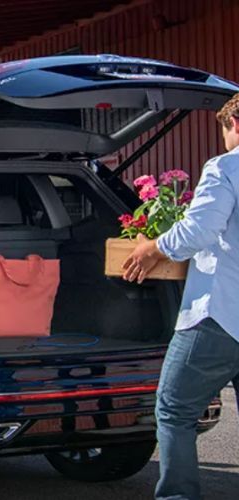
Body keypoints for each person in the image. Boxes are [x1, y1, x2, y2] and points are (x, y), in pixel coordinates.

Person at [123, 93, 239, 500]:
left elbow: (199, 232)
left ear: (235, 124)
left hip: (220, 315)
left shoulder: (226, 167)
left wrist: (152, 248)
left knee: (174, 411)